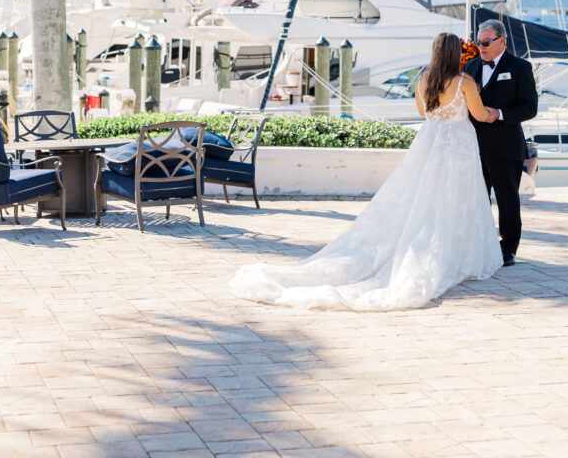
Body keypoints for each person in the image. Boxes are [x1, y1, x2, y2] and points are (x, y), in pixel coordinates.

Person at [228, 32, 502, 311]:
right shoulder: (464, 81)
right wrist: (495, 114)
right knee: (456, 197)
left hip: (430, 141)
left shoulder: (423, 79)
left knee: (424, 196)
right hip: (457, 147)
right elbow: (479, 115)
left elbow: (422, 111)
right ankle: (457, 255)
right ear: (457, 54)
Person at [464, 18, 538, 267]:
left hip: (506, 146)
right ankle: (480, 244)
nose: (481, 46)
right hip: (474, 148)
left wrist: (501, 114)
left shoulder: (519, 67)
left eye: (486, 42)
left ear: (501, 41)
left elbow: (529, 107)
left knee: (507, 200)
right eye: (479, 42)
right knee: (477, 199)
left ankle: (508, 249)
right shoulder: (471, 67)